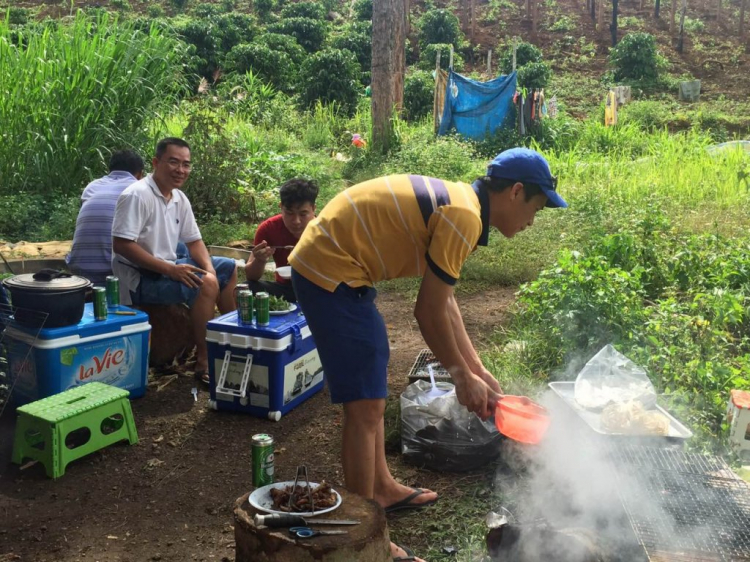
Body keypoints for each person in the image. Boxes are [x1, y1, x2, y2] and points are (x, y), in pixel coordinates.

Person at [288, 147, 567, 562]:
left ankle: (380, 489)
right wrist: (459, 375)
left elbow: (446, 303)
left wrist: (478, 370)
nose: (532, 222)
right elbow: (427, 311)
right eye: (537, 208)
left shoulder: (465, 208)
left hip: (344, 270)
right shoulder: (466, 216)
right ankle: (365, 539)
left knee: (371, 380)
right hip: (329, 269)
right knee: (364, 407)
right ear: (516, 192)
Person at [111, 137, 237, 383]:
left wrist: (209, 269)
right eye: (173, 162)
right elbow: (122, 245)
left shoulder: (178, 198)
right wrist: (171, 270)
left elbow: (194, 241)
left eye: (186, 164)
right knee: (206, 285)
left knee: (227, 268)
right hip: (140, 278)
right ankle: (204, 359)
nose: (181, 170)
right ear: (156, 162)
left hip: (168, 267)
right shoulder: (137, 195)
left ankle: (233, 338)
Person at [66, 150, 144, 284]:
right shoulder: (138, 188)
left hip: (78, 270)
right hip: (113, 273)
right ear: (140, 174)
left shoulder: (92, 186)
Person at [244, 178, 318, 303]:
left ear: (313, 209)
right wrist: (260, 260)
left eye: (303, 214)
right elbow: (251, 276)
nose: (296, 221)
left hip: (319, 290)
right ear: (281, 207)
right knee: (247, 289)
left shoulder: (325, 230)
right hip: (285, 289)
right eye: (289, 213)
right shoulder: (269, 228)